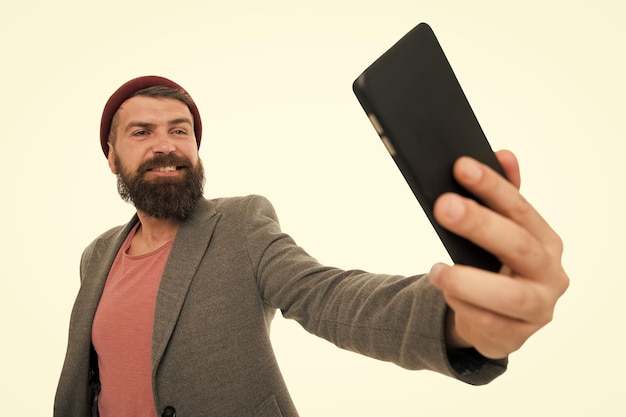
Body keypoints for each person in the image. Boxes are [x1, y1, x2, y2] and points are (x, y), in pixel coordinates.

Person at [54, 75, 569, 417]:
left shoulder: (239, 225)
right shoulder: (97, 256)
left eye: (179, 130)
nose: (165, 144)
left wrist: (457, 321)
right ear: (112, 157)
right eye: (141, 132)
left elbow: (328, 297)